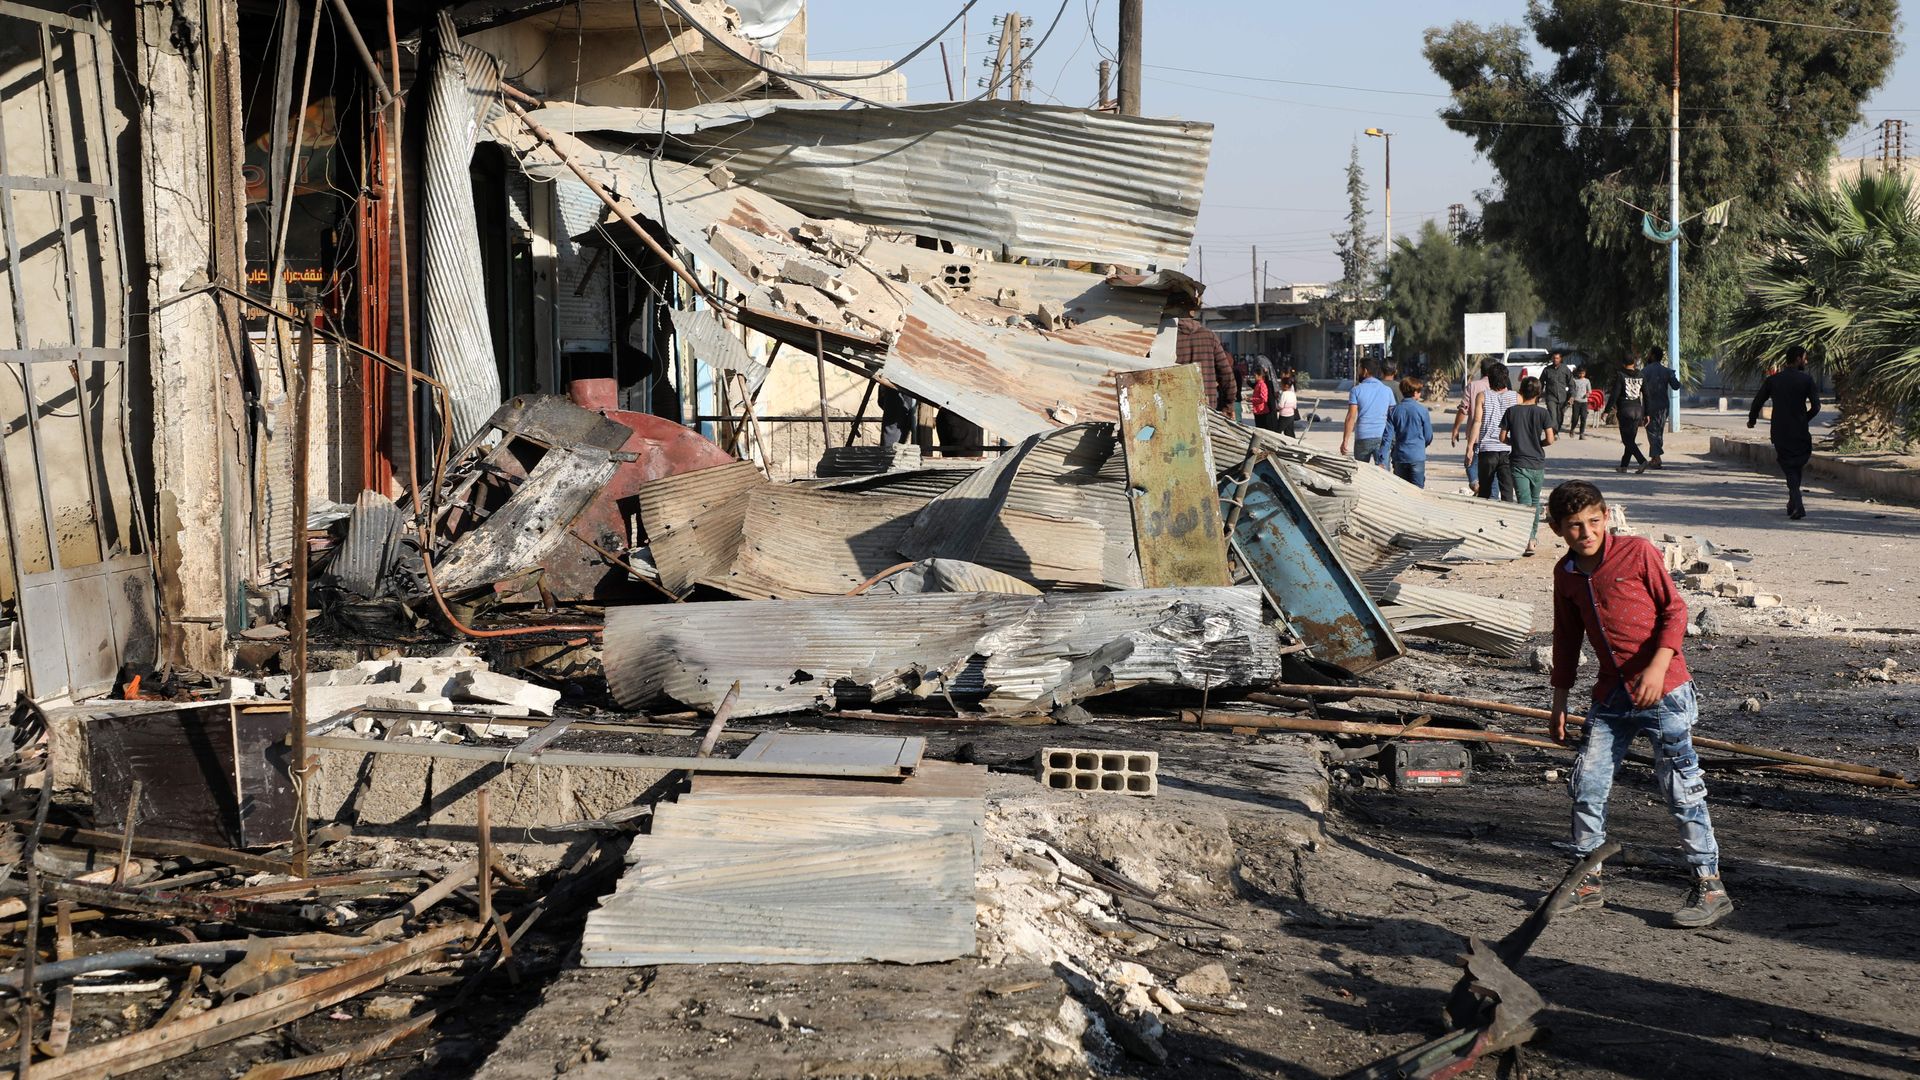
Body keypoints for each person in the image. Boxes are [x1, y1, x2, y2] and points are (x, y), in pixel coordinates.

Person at [1546, 480, 1730, 929]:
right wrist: (1559, 700)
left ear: (1605, 516)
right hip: (1611, 696)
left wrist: (1656, 667)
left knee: (1681, 787)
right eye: (1574, 526)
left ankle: (1710, 886)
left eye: (1592, 522)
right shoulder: (1566, 574)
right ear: (1557, 528)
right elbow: (1566, 638)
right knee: (1587, 783)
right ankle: (1587, 881)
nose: (1585, 533)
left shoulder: (1639, 553)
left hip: (1664, 690)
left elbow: (1675, 611)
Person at [1747, 345, 1822, 520]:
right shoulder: (1807, 380)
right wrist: (1804, 419)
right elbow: (1817, 406)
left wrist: (1752, 420)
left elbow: (1757, 401)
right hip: (1800, 431)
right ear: (1797, 359)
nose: (1806, 361)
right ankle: (1794, 501)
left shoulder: (1773, 380)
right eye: (1805, 358)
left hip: (1780, 431)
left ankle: (1796, 502)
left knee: (1789, 467)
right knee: (1795, 465)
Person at [1500, 376, 1556, 555]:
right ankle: (1532, 538)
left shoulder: (1511, 411)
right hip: (1537, 463)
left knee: (1523, 502)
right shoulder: (1543, 413)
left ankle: (1527, 540)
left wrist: (1515, 442)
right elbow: (1550, 439)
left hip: (1518, 462)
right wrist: (1538, 445)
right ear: (1539, 393)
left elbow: (1501, 437)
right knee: (1534, 502)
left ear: (1521, 392)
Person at [1452, 358, 1503, 496]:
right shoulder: (1502, 387)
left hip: (1476, 437)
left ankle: (1476, 486)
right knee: (1492, 472)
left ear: (1482, 370)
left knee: (1470, 464)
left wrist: (1455, 429)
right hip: (1495, 437)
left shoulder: (1473, 386)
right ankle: (1491, 498)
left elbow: (1464, 409)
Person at [1466, 365, 1517, 501]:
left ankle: (1485, 518)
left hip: (1487, 449)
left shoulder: (1482, 396)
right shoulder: (1516, 397)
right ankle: (1508, 518)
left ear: (1490, 380)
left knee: (1485, 491)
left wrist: (1470, 447)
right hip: (1508, 449)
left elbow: (1477, 422)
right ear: (1506, 378)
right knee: (1507, 490)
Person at [1175, 302, 1237, 415]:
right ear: (1192, 312)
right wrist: (1229, 405)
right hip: (1206, 410)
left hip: (1174, 410)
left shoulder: (1164, 339)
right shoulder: (1209, 336)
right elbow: (1226, 374)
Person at [1339, 359, 1395, 464]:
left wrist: (1345, 440)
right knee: (1384, 473)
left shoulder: (1356, 390)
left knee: (1361, 472)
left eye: (1359, 369)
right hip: (1382, 436)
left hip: (1363, 437)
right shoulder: (1387, 390)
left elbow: (1351, 417)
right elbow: (1393, 416)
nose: (1358, 372)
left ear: (1365, 371)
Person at [1384, 377, 1433, 487]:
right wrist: (1420, 445)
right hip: (1417, 456)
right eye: (1419, 391)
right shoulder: (1422, 410)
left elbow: (1387, 436)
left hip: (1400, 456)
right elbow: (1428, 436)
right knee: (1418, 491)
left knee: (1401, 490)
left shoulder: (1394, 411)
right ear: (1415, 393)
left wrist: (1383, 457)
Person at [1608, 354, 1650, 473]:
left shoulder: (1621, 375)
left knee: (1627, 440)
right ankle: (1623, 466)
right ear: (1634, 363)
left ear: (1623, 364)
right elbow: (1647, 395)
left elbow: (1615, 394)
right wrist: (1647, 413)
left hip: (1625, 410)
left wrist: (1606, 411)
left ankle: (1642, 461)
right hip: (1638, 411)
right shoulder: (1641, 375)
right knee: (1630, 439)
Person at [1641, 346, 1682, 468]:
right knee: (1659, 431)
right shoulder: (1667, 371)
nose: (1647, 356)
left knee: (1652, 432)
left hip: (1650, 406)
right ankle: (1655, 457)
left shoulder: (1645, 371)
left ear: (1653, 355)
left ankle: (1657, 458)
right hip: (1664, 406)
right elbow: (1676, 386)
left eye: (1649, 353)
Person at [1541, 350, 1575, 433]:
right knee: (1552, 415)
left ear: (1560, 359)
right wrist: (1538, 394)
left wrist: (1572, 396)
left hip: (1562, 397)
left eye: (1557, 358)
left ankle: (1556, 430)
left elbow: (1571, 383)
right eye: (1554, 358)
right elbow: (1541, 382)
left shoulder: (1565, 369)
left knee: (1560, 416)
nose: (1555, 360)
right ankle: (1554, 432)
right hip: (1550, 396)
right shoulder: (1547, 370)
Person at [1249, 362, 1282, 433]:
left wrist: (1251, 399)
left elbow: (1263, 398)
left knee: (1261, 430)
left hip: (1262, 411)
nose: (1254, 377)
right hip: (1258, 410)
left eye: (1255, 375)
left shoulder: (1262, 385)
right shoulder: (1258, 384)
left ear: (1259, 376)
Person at [1569, 367, 1592, 439]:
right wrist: (1571, 398)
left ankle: (1582, 433)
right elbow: (1572, 390)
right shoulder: (1575, 381)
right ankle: (1572, 429)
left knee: (1583, 418)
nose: (1582, 375)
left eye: (1583, 373)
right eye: (1580, 373)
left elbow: (1589, 391)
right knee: (1575, 418)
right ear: (1578, 373)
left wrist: (1588, 394)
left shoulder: (1587, 381)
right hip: (1576, 401)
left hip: (1584, 402)